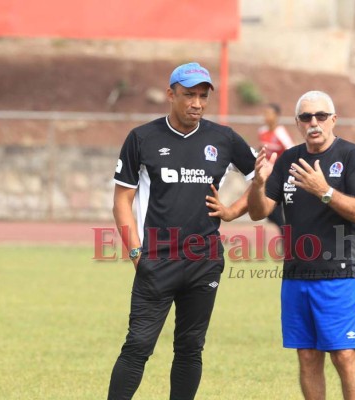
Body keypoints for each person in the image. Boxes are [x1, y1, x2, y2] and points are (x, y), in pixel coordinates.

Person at [108, 62, 256, 400]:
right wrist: (135, 253)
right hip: (155, 262)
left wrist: (232, 210)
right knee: (138, 346)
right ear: (170, 94)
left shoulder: (224, 138)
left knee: (190, 348)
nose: (197, 103)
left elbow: (261, 180)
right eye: (189, 95)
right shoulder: (142, 138)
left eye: (203, 96)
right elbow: (122, 201)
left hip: (204, 261)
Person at [248, 90, 355, 400]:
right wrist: (258, 183)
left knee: (344, 355)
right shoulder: (289, 159)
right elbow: (259, 211)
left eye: (320, 116)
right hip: (296, 274)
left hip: (339, 273)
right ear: (298, 123)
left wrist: (324, 191)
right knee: (307, 355)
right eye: (306, 117)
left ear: (333, 120)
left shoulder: (351, 156)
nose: (314, 122)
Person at [257, 103, 294, 233]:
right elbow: (262, 151)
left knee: (277, 212)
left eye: (269, 114)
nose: (266, 116)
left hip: (281, 177)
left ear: (277, 116)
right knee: (271, 214)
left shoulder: (280, 132)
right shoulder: (262, 131)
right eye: (265, 113)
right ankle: (287, 237)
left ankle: (289, 240)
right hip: (268, 177)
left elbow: (291, 152)